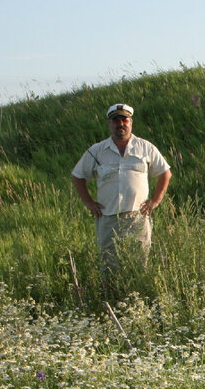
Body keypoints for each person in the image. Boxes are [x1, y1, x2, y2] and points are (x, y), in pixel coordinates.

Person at [71, 103, 172, 276]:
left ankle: (136, 300)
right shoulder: (97, 151)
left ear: (131, 122)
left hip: (137, 217)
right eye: (116, 120)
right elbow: (78, 175)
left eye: (124, 120)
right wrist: (88, 202)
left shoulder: (145, 147)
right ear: (110, 124)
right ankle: (111, 299)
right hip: (108, 219)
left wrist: (155, 201)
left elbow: (165, 173)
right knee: (109, 267)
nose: (121, 124)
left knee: (139, 265)